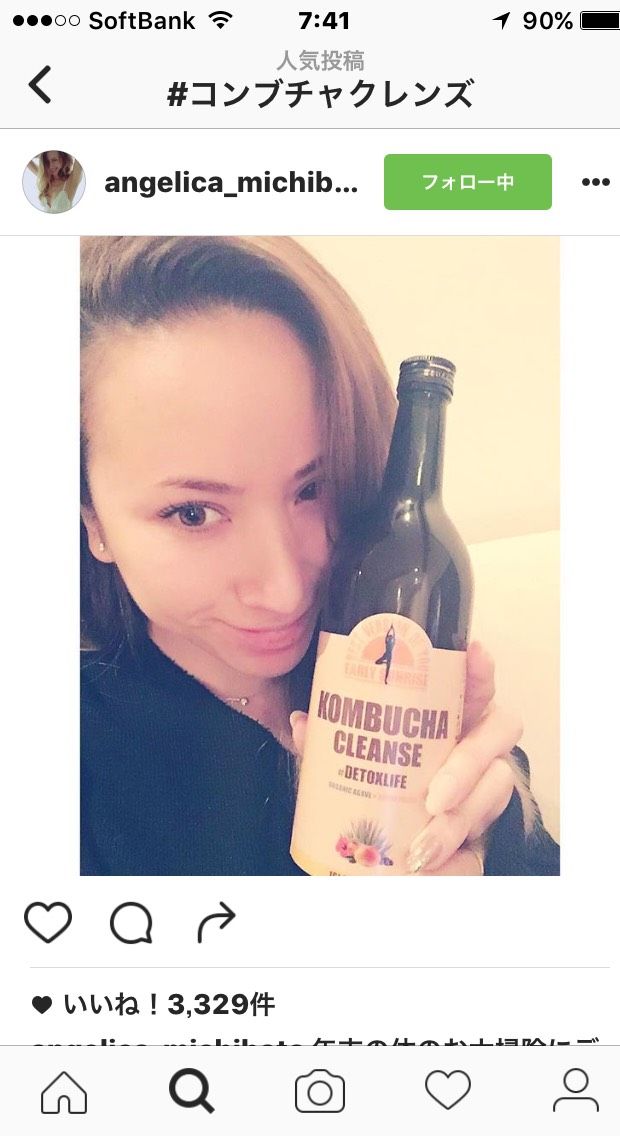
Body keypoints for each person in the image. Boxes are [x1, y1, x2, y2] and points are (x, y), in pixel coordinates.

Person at [80, 235, 560, 877]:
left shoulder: (412, 687)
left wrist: (499, 836)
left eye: (314, 488)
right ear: (94, 520)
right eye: (194, 513)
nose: (285, 590)